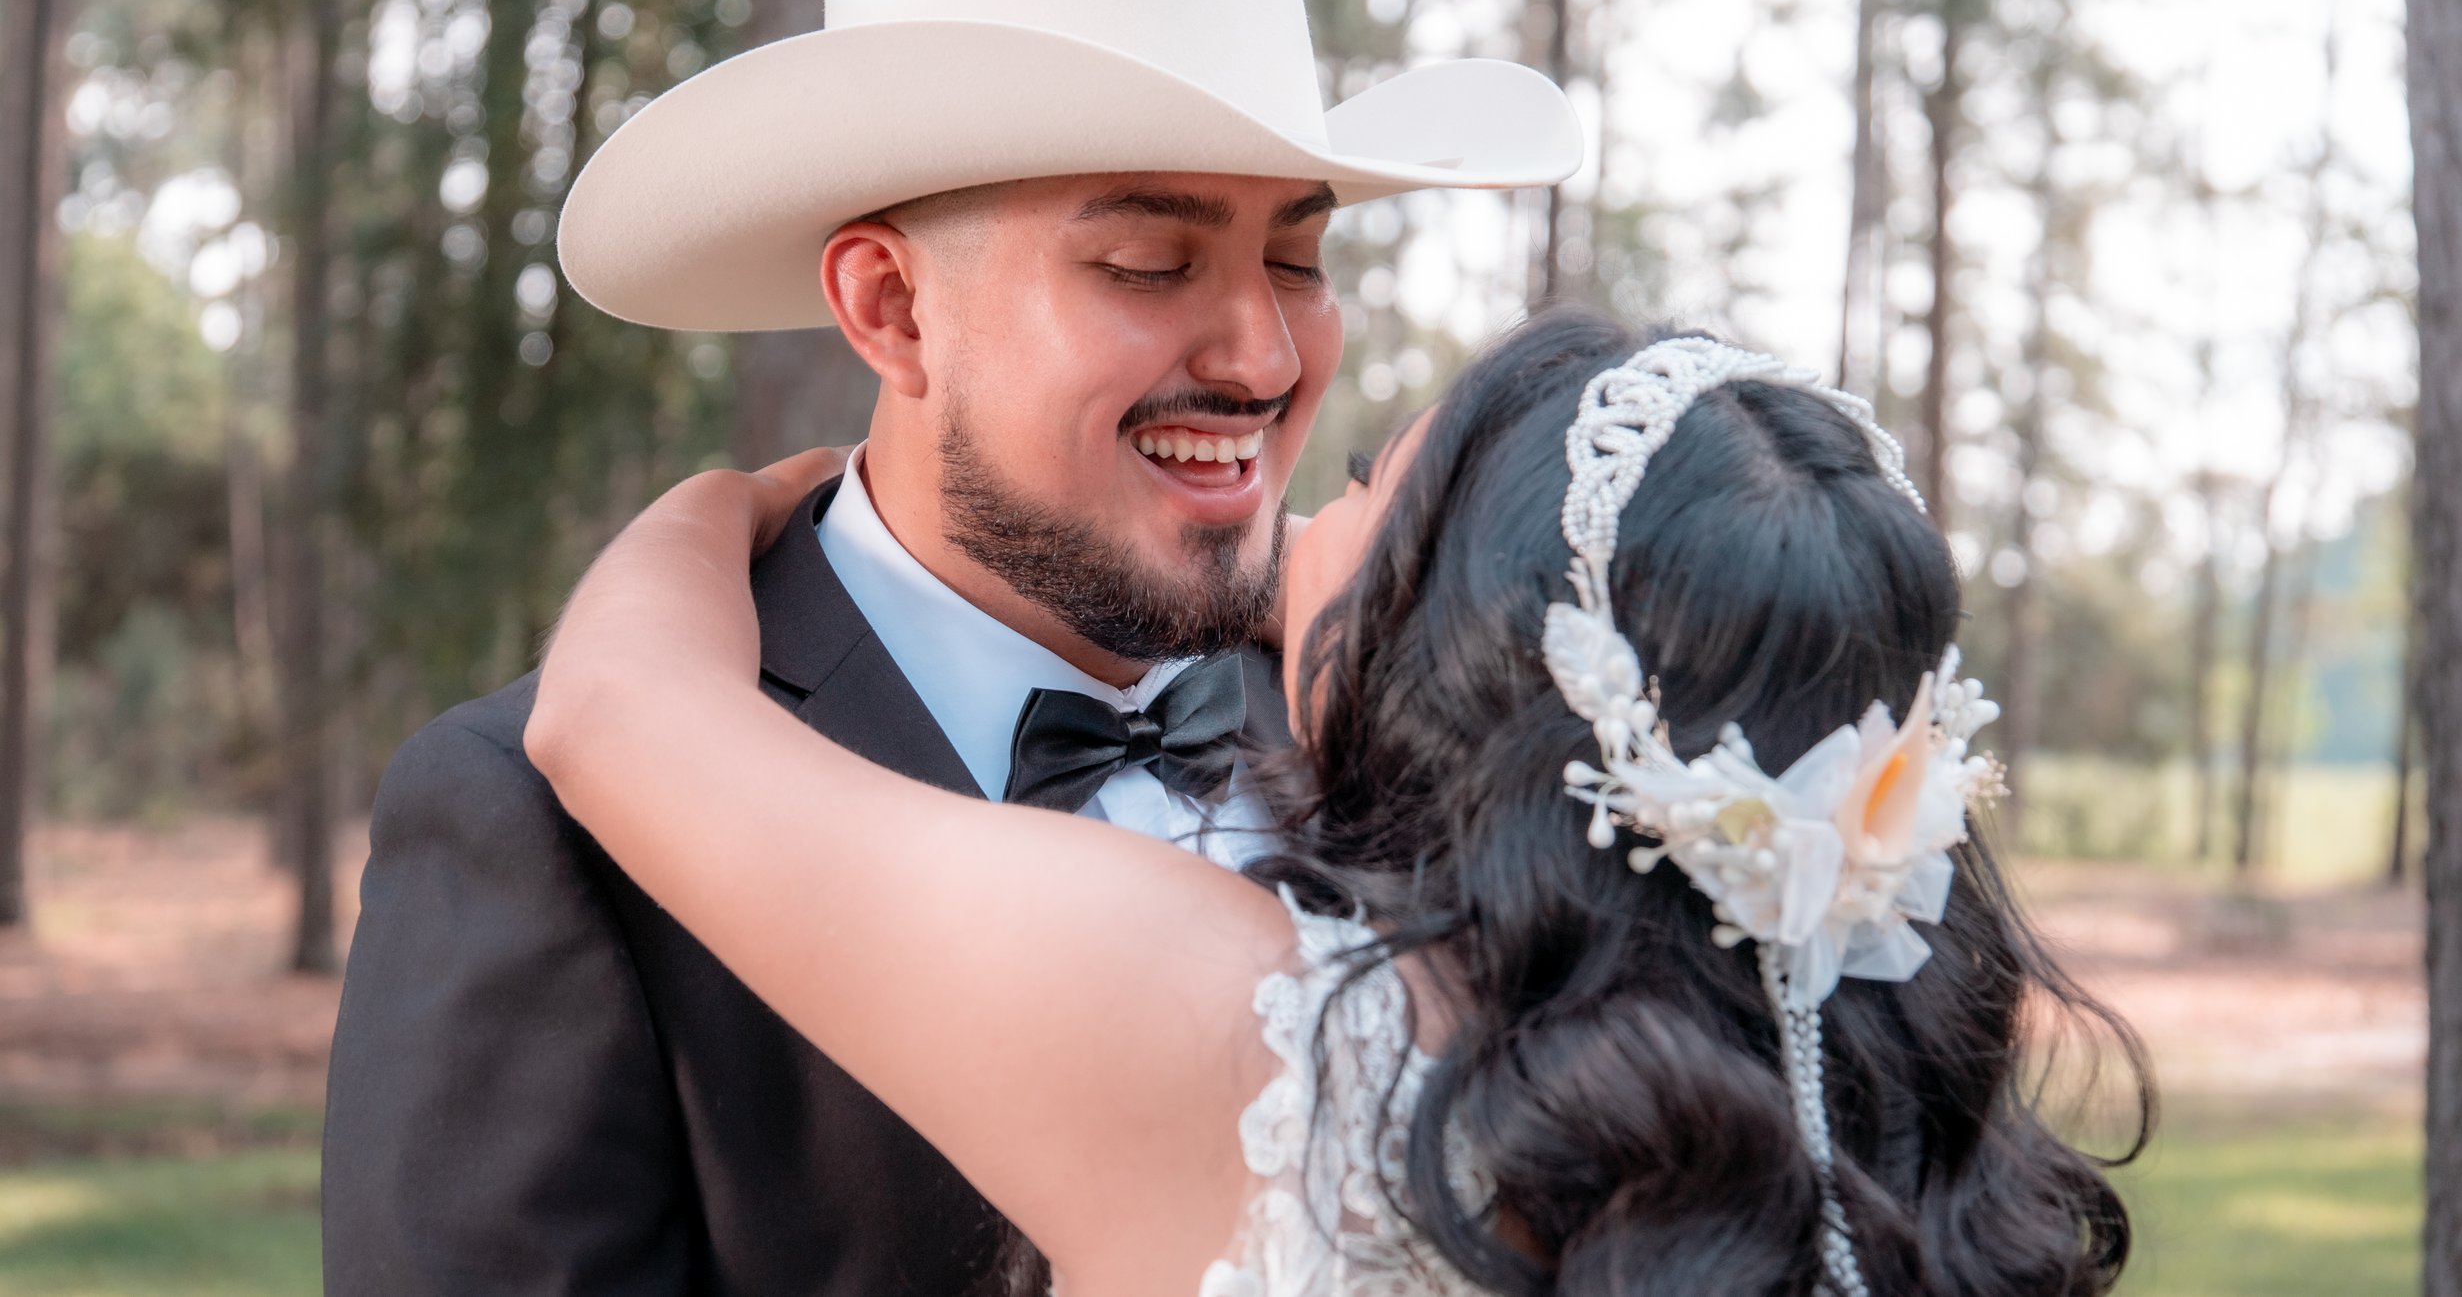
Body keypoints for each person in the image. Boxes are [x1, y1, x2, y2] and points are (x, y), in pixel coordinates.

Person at [319, 0, 1580, 1296]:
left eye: (1296, 258)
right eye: (1150, 267)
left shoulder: (1427, 725)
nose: (1263, 353)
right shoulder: (538, 825)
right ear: (892, 309)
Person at [524, 309, 2148, 1297]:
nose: (1308, 512)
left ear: (1458, 657)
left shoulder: (1261, 1044)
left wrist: (747, 497)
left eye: (1369, 490)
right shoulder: (1879, 1120)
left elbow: (613, 713)